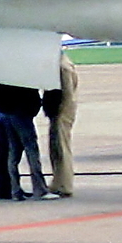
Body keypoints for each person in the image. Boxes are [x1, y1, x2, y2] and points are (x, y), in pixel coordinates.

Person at [0, 82, 48, 200]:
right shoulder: (20, 76)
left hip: (6, 113)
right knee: (31, 150)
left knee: (13, 153)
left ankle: (15, 189)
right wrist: (33, 108)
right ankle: (39, 188)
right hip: (21, 113)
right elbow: (30, 93)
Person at [41, 56, 79, 196]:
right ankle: (58, 181)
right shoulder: (60, 64)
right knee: (56, 148)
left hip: (62, 111)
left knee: (61, 148)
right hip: (58, 111)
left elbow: (67, 93)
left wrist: (60, 110)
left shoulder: (63, 67)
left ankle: (64, 184)